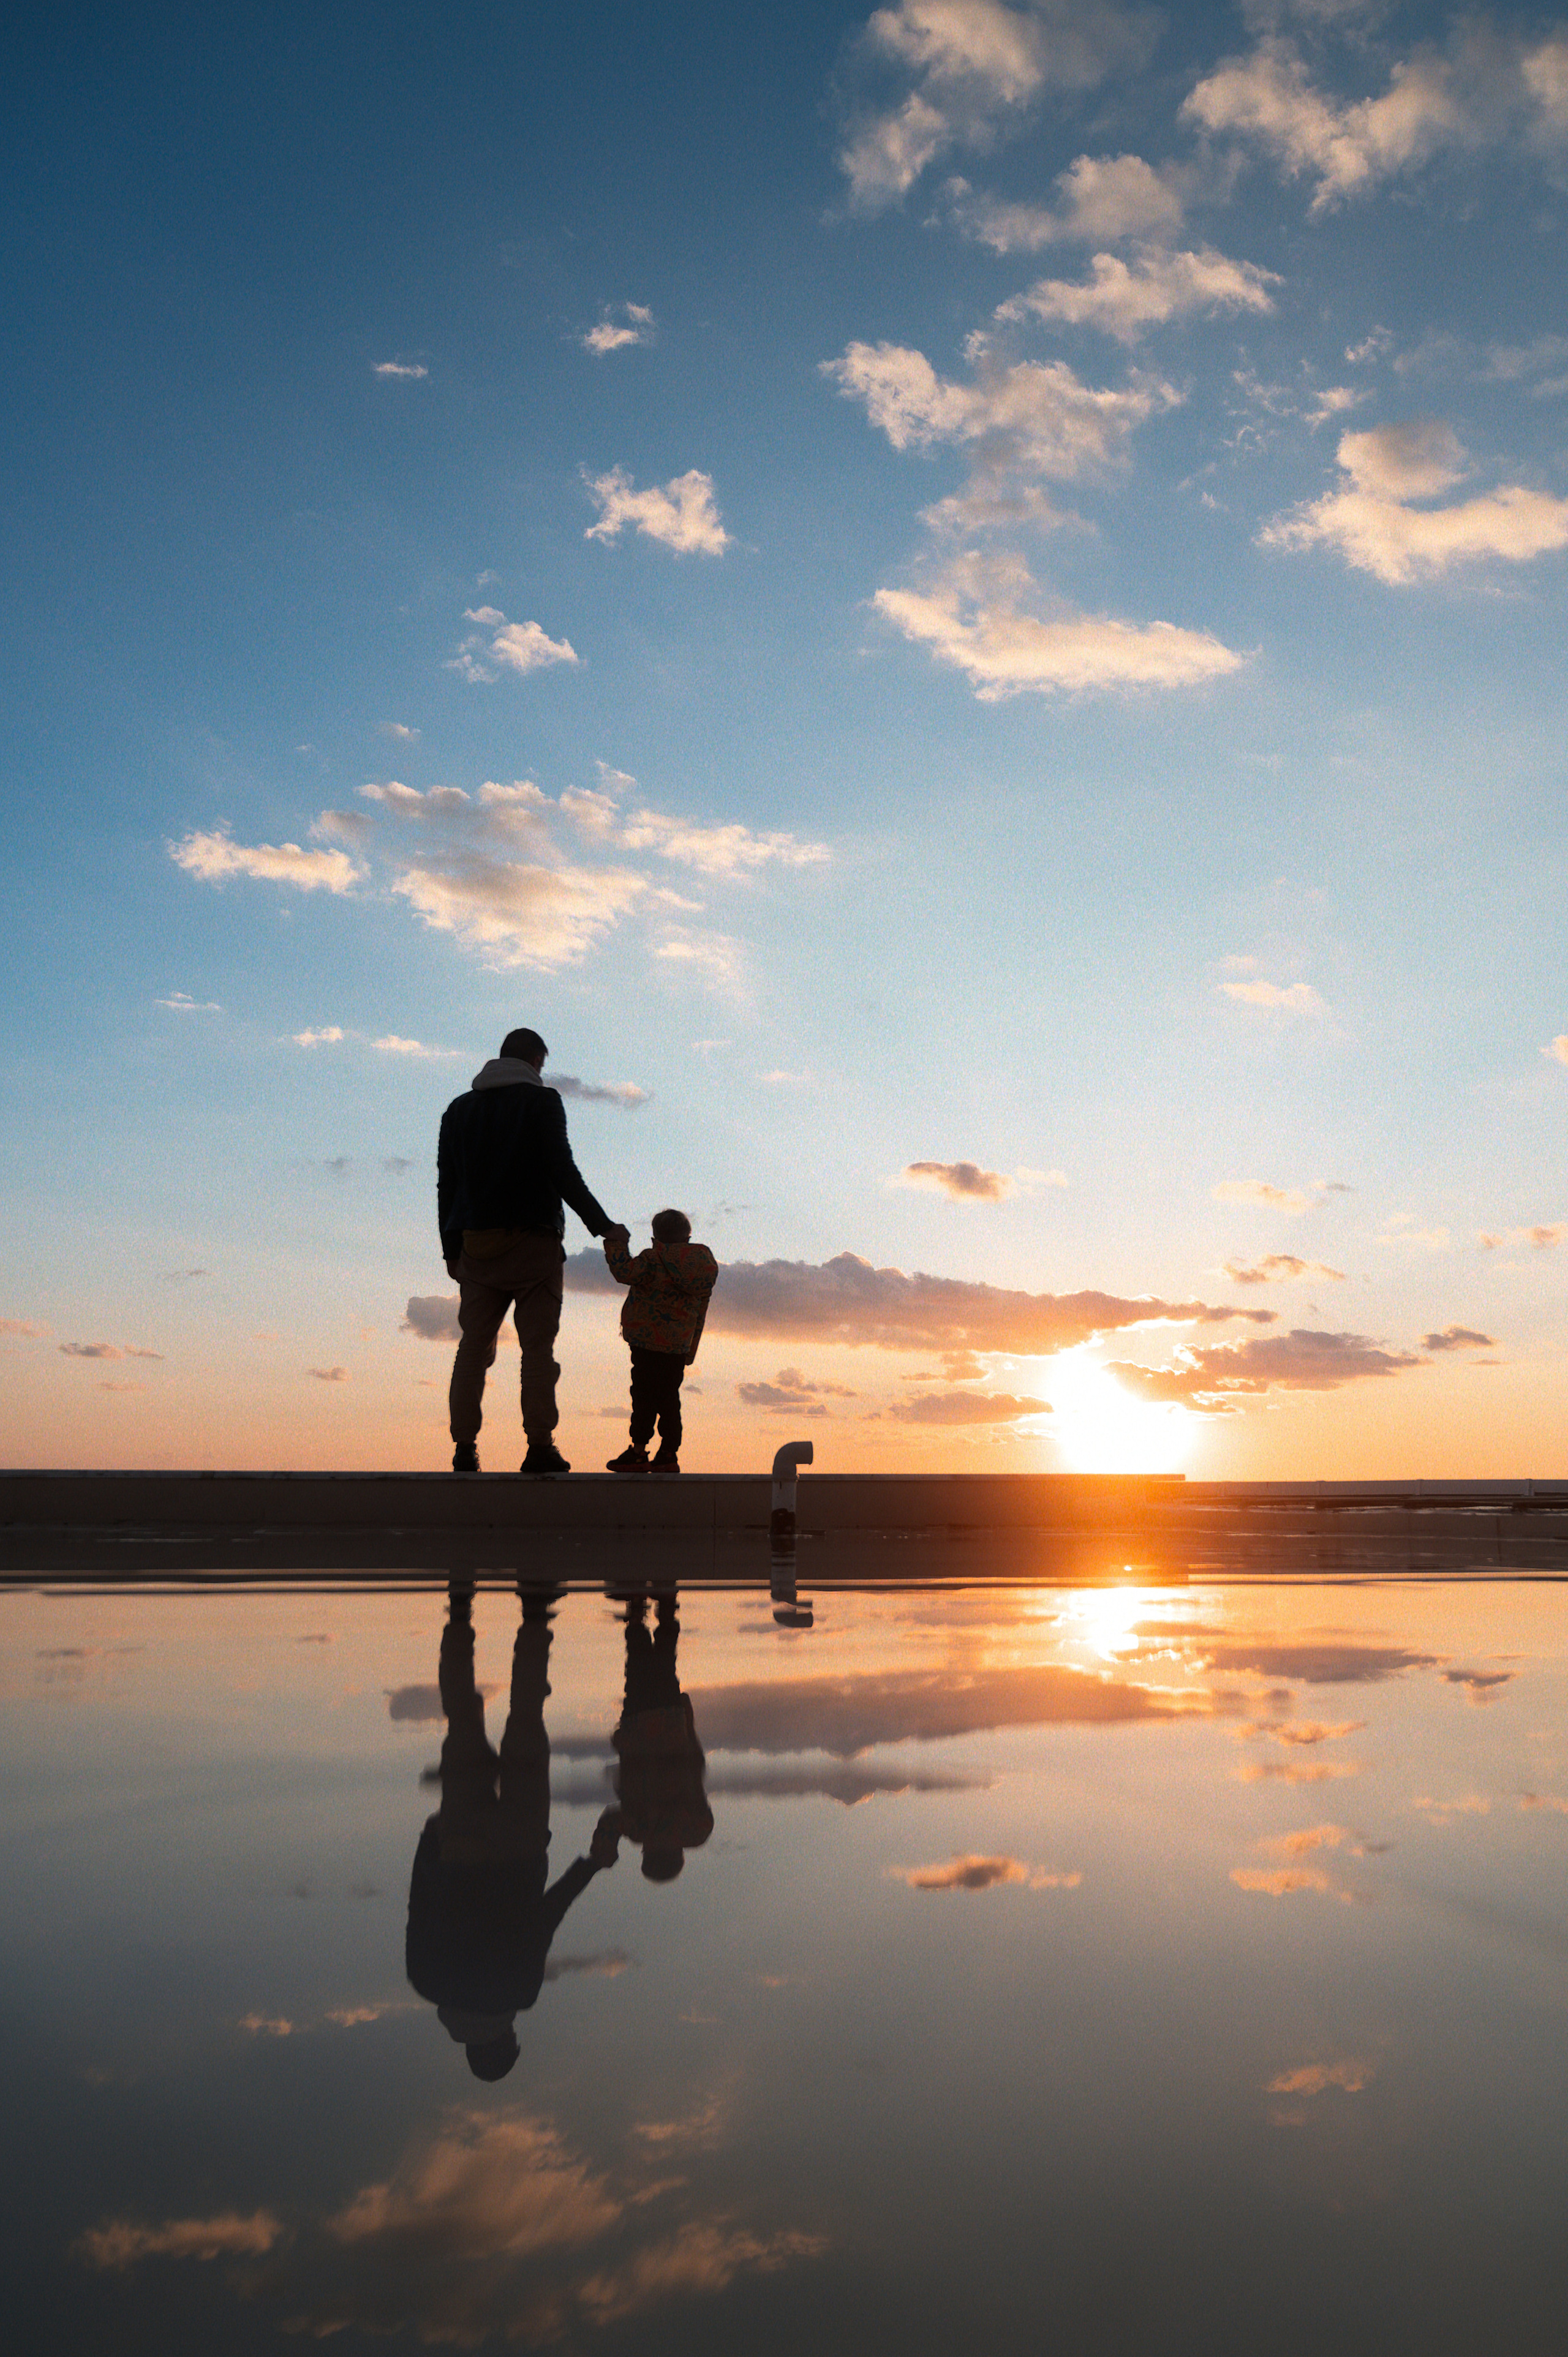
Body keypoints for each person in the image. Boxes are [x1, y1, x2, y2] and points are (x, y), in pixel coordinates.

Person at [404, 1582, 621, 2081]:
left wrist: (593, 1864)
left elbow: (545, 1916)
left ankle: (535, 1614)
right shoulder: (425, 1981)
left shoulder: (519, 1993)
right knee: (462, 1720)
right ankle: (460, 1611)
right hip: (460, 1844)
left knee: (526, 1719)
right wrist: (431, 1837)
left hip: (520, 1846)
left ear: (504, 2041)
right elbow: (419, 1902)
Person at [438, 1027, 616, 1476]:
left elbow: (448, 1184)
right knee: (537, 1351)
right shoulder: (542, 1101)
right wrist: (603, 1226)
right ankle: (539, 1447)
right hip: (534, 1244)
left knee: (473, 1348)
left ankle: (464, 1449)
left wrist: (450, 1250)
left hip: (476, 1247)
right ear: (536, 1061)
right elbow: (561, 1170)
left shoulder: (458, 1110)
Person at [602, 1208, 717, 1476]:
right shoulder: (702, 1267)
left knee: (644, 1396)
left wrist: (615, 1243)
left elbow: (624, 1272)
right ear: (688, 1238)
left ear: (656, 1239)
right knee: (669, 1398)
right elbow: (701, 1310)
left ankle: (638, 1451)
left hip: (646, 1342)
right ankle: (668, 1453)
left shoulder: (653, 1259)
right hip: (678, 1345)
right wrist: (691, 1349)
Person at [609, 1588, 712, 1882]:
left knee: (665, 1663)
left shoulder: (697, 1828)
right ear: (650, 1855)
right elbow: (624, 1788)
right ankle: (637, 1611)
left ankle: (664, 1607)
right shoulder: (639, 1829)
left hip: (670, 1725)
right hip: (640, 1727)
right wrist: (602, 1853)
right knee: (637, 1667)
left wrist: (688, 1724)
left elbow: (695, 1767)